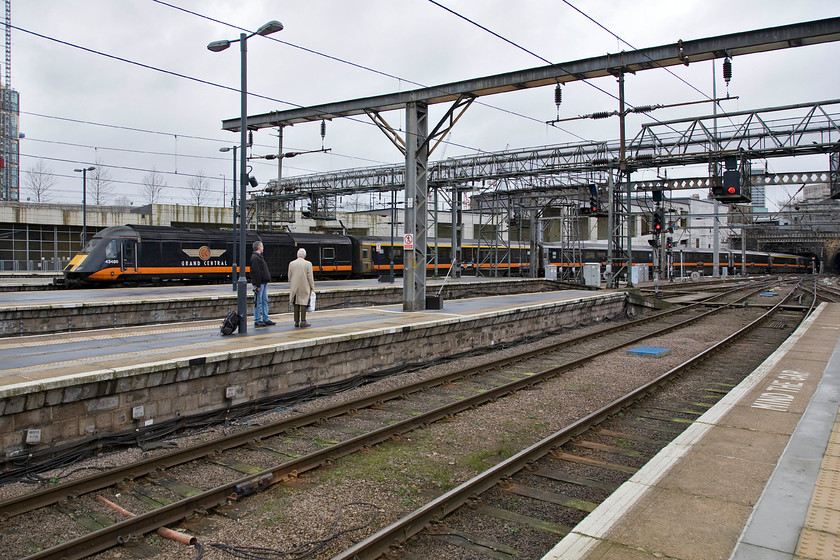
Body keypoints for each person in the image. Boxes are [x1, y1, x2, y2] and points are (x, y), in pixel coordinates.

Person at [249, 240, 275, 327]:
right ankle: (257, 319)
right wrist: (258, 285)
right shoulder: (255, 258)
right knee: (258, 302)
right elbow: (256, 273)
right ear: (259, 247)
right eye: (262, 246)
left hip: (263, 283)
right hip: (260, 284)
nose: (263, 248)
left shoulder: (259, 257)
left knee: (264, 301)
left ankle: (265, 318)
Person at [288, 247, 315, 328]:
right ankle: (303, 321)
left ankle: (296, 321)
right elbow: (310, 277)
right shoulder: (308, 264)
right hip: (304, 286)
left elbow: (289, 276)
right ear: (305, 255)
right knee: (303, 303)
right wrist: (312, 287)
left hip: (294, 286)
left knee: (296, 303)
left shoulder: (291, 263)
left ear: (297, 255)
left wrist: (292, 283)